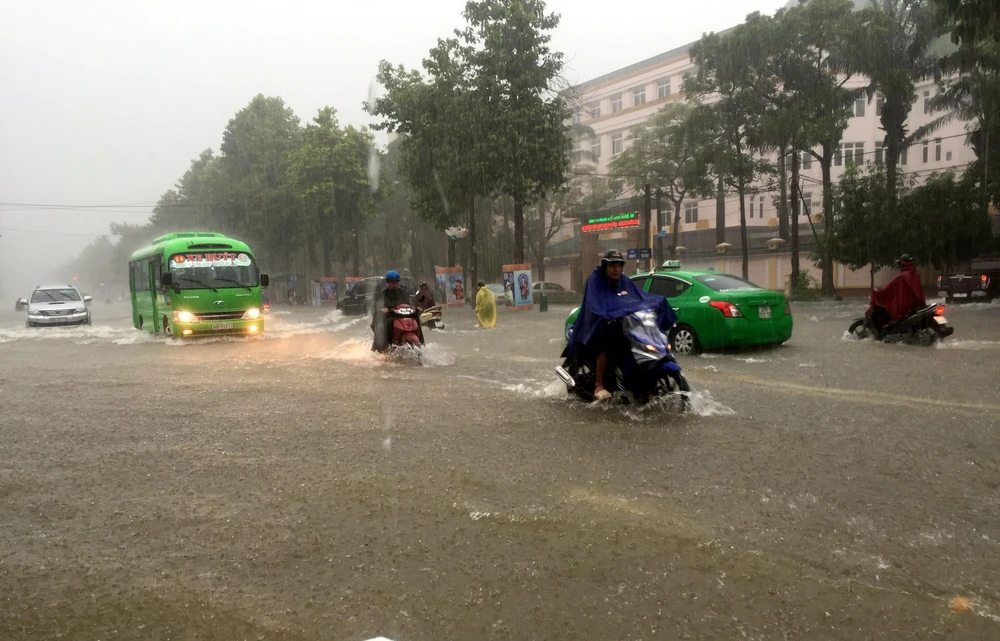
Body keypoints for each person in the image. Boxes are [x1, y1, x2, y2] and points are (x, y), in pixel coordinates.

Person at [565, 249, 676, 401]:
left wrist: (654, 306)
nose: (615, 269)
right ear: (605, 266)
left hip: (621, 323)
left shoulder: (624, 280)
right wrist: (607, 314)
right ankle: (599, 384)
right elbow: (596, 303)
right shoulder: (595, 280)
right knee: (606, 342)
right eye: (612, 265)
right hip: (596, 323)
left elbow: (639, 298)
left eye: (618, 265)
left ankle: (637, 382)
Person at [868, 253, 926, 330]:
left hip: (905, 307)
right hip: (915, 305)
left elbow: (888, 289)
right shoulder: (915, 274)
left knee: (890, 309)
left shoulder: (902, 276)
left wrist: (876, 293)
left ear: (902, 264)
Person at [371, 270, 424, 351]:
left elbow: (410, 303)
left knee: (416, 320)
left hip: (402, 316)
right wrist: (382, 310)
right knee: (384, 325)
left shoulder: (402, 292)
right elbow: (377, 306)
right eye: (392, 282)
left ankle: (422, 344)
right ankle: (384, 347)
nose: (394, 284)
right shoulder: (382, 294)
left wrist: (415, 308)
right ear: (387, 283)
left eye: (396, 282)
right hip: (390, 317)